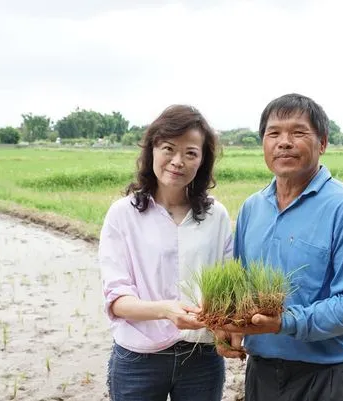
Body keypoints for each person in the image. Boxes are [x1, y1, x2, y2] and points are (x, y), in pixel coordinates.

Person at [216, 93, 343, 401]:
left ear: (323, 142)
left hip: (327, 376)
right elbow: (238, 286)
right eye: (273, 133)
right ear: (263, 143)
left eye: (298, 132)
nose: (284, 142)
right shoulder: (252, 208)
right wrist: (227, 326)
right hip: (262, 371)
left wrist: (285, 322)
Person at [99, 105, 233, 401]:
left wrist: (230, 331)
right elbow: (117, 299)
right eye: (168, 149)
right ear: (152, 151)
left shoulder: (216, 216)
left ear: (202, 161)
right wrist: (166, 310)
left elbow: (226, 290)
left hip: (201, 356)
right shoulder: (123, 215)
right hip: (139, 359)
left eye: (190, 153)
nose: (177, 161)